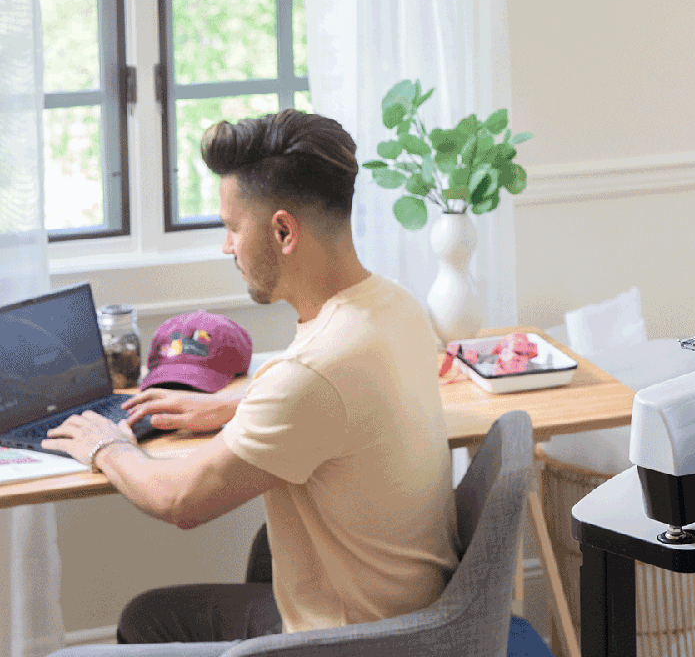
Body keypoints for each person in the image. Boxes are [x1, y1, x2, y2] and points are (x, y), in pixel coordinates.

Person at [43, 109, 459, 650]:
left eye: (233, 227)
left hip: (351, 640)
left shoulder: (313, 372)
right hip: (413, 615)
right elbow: (344, 405)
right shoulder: (396, 307)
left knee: (147, 618)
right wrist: (240, 404)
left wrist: (107, 447)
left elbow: (180, 502)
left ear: (283, 231)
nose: (226, 246)